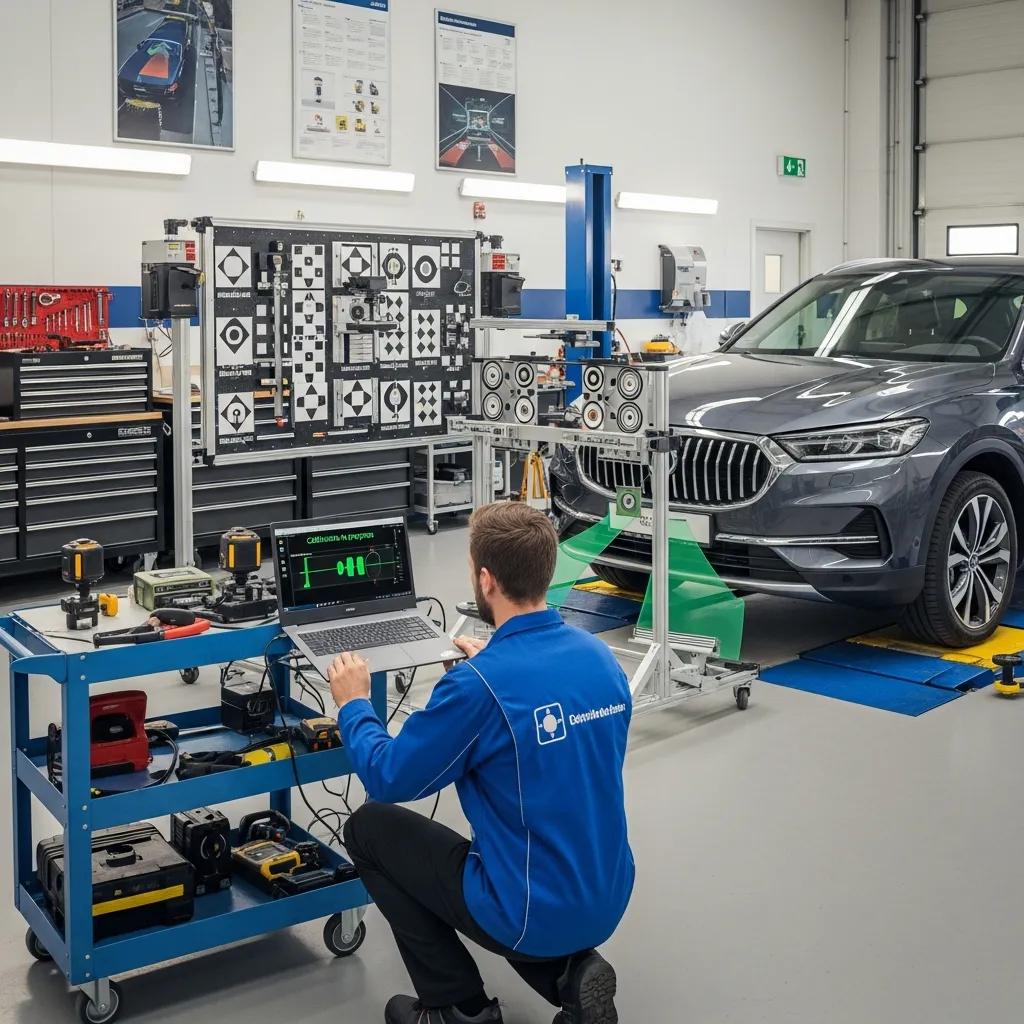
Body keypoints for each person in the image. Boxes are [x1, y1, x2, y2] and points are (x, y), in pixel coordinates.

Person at [328, 502, 634, 1024]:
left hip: (530, 908)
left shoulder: (479, 688)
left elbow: (389, 775)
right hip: (608, 892)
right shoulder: (601, 658)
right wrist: (484, 676)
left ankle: (458, 1008)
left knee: (370, 829)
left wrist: (354, 703)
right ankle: (569, 977)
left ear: (485, 580)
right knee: (521, 858)